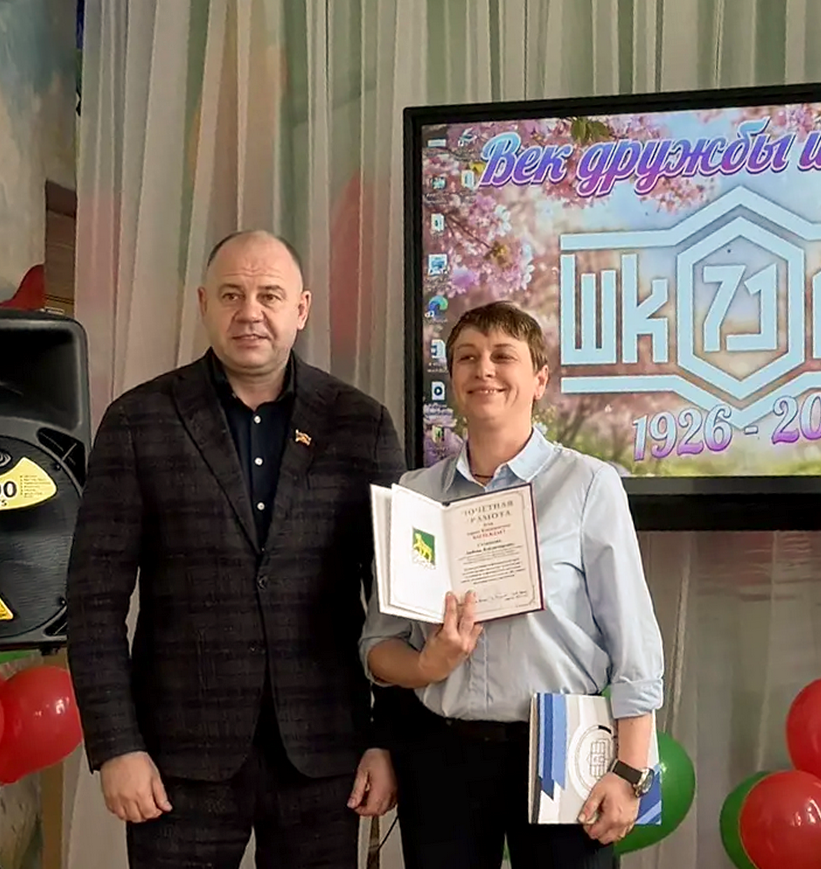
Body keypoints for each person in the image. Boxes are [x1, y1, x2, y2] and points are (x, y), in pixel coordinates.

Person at [66, 229, 408, 869]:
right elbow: (92, 602)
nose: (250, 312)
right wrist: (117, 745)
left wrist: (386, 739)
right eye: (231, 295)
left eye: (269, 295)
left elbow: (398, 599)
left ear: (301, 309)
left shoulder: (360, 424)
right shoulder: (139, 421)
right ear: (203, 304)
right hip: (175, 761)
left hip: (325, 755)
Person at [359, 301, 666, 869]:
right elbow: (378, 646)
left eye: (503, 356)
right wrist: (426, 665)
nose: (484, 370)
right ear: (452, 378)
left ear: (539, 379)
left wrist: (630, 770)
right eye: (467, 358)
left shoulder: (587, 485)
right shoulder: (416, 495)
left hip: (561, 753)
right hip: (441, 755)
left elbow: (634, 642)